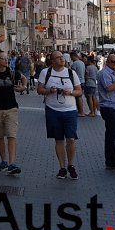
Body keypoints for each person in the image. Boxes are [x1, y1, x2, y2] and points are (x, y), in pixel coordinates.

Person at [37, 50, 83, 179]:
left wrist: (71, 92)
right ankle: (62, 167)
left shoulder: (71, 73)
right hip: (52, 110)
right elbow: (39, 90)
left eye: (62, 57)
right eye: (58, 58)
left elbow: (79, 91)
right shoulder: (46, 73)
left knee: (71, 139)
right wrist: (49, 91)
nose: (61, 59)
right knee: (59, 140)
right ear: (52, 61)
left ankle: (71, 165)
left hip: (70, 110)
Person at [0, 50, 23, 175]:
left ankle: (12, 163)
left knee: (12, 136)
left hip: (11, 108)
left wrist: (23, 87)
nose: (6, 60)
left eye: (6, 58)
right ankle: (3, 161)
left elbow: (24, 79)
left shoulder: (12, 73)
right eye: (3, 58)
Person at [70, 52, 87, 117]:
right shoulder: (82, 62)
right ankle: (80, 111)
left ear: (73, 56)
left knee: (78, 97)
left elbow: (72, 74)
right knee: (80, 97)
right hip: (82, 81)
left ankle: (81, 111)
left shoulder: (75, 63)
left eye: (71, 57)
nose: (71, 59)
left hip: (77, 82)